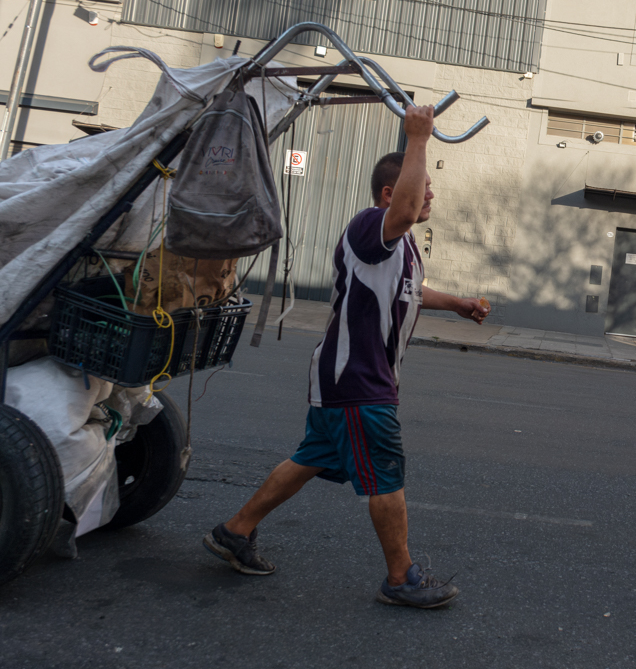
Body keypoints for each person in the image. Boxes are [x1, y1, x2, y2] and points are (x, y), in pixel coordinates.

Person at [203, 105, 489, 609]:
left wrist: (459, 305)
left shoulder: (401, 247)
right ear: (388, 193)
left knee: (311, 457)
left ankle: (234, 531)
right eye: (421, 184)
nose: (429, 192)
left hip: (341, 381)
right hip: (357, 381)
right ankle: (400, 579)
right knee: (385, 472)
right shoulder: (371, 225)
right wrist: (418, 139)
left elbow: (413, 289)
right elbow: (401, 212)